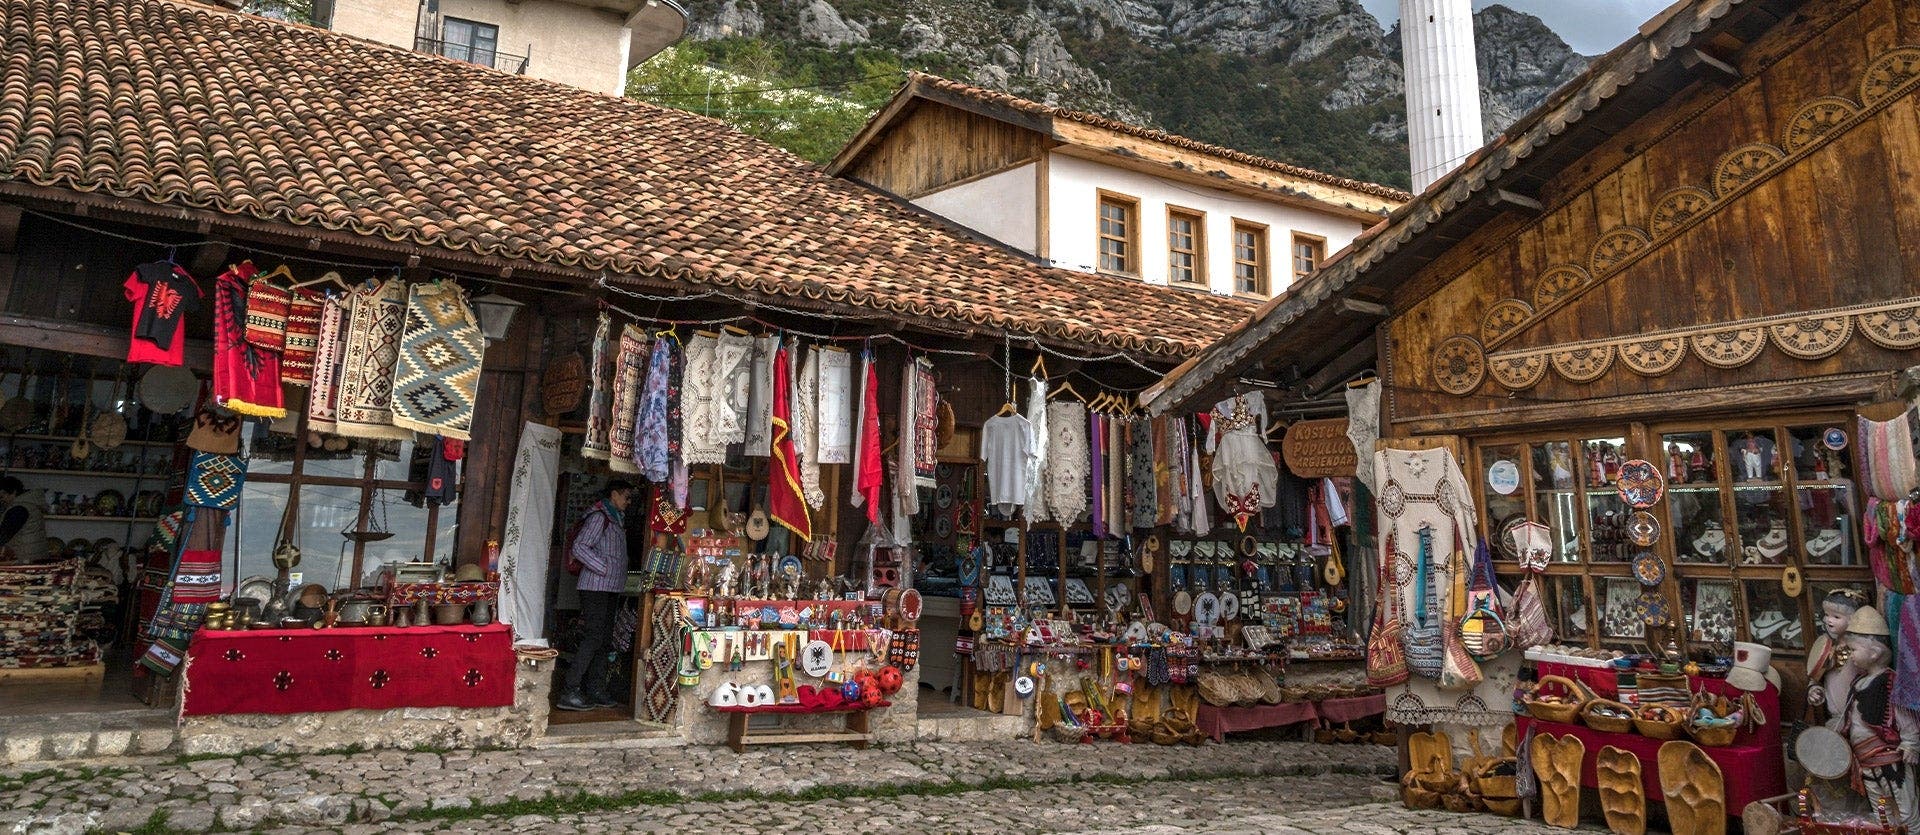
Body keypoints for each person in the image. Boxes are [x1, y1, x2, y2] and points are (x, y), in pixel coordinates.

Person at [558, 480, 634, 712]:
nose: (629, 502)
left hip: (610, 587)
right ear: (614, 494)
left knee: (604, 640)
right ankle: (569, 689)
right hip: (595, 586)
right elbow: (579, 547)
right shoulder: (599, 517)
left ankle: (595, 688)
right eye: (626, 497)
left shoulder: (615, 520)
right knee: (593, 637)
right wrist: (603, 567)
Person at [0, 476, 49, 564]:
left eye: (3, 495)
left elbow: (3, 535)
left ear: (14, 492)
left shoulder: (18, 509)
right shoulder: (28, 505)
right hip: (34, 557)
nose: (2, 500)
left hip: (26, 559)